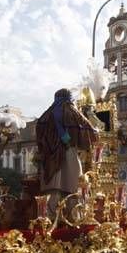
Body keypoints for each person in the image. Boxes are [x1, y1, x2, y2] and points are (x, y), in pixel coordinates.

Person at [36, 89, 99, 217]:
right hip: (68, 152)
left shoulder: (46, 115)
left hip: (49, 159)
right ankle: (74, 218)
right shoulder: (71, 111)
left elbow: (39, 136)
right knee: (73, 185)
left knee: (53, 188)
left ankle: (51, 219)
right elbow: (92, 132)